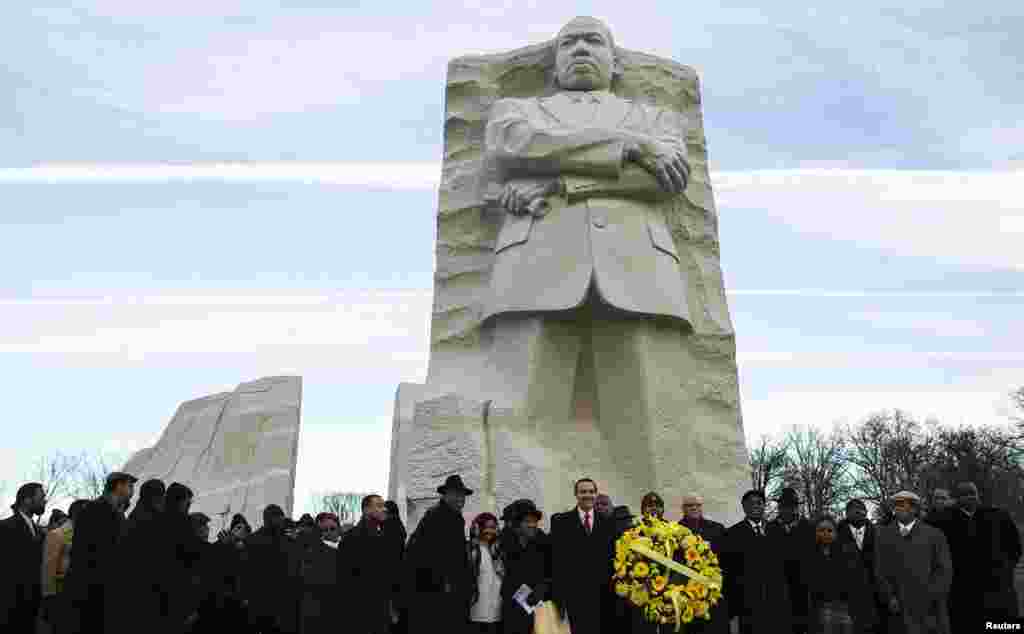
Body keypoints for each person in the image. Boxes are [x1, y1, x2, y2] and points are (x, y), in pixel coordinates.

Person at [477, 15, 706, 517]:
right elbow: (514, 147)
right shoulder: (518, 111)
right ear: (554, 60)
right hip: (532, 270)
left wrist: (560, 184)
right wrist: (628, 147)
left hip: (639, 272)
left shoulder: (656, 117)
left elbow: (662, 183)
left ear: (615, 59)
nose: (580, 48)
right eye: (569, 42)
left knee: (652, 424)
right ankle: (519, 532)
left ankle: (665, 540)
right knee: (520, 418)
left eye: (593, 40)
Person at [929, 481, 1021, 629]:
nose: (970, 497)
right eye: (964, 494)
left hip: (998, 587)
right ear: (956, 499)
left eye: (973, 493)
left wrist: (1006, 568)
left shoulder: (998, 516)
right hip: (962, 590)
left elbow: (1014, 546)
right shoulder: (943, 520)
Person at [65, 471, 136, 634]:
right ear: (118, 486)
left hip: (104, 591)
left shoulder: (115, 512)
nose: (132, 491)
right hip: (93, 593)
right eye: (130, 486)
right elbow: (97, 553)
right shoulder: (96, 510)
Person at [873, 491, 952, 634]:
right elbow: (879, 569)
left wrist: (930, 596)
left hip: (928, 611)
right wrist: (889, 596)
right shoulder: (882, 535)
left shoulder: (934, 535)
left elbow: (944, 571)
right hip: (897, 610)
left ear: (915, 509)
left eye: (905, 505)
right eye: (897, 505)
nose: (900, 508)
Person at [406, 475, 473, 634]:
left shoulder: (455, 517)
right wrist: (442, 581)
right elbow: (419, 554)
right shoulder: (435, 516)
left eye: (462, 495)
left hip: (451, 591)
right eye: (456, 494)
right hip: (437, 593)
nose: (461, 499)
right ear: (445, 495)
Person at [550, 477, 615, 634]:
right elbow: (557, 561)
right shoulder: (562, 523)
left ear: (596, 494)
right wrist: (559, 598)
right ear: (576, 494)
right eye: (583, 492)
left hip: (602, 598)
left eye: (591, 492)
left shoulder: (607, 523)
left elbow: (611, 560)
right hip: (573, 597)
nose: (587, 495)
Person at [722, 489, 791, 634]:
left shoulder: (777, 531)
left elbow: (786, 567)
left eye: (759, 503)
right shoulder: (732, 534)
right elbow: (729, 572)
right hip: (747, 604)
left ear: (764, 506)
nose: (755, 506)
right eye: (750, 503)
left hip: (776, 601)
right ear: (744, 507)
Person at [338, 494, 403, 634]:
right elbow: (344, 577)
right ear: (366, 510)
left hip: (381, 608)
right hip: (359, 609)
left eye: (384, 505)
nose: (384, 509)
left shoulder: (385, 535)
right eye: (379, 505)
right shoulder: (351, 538)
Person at [802, 515, 877, 634]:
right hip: (821, 608)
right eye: (821, 530)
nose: (825, 533)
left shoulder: (848, 552)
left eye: (829, 530)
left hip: (846, 608)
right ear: (815, 533)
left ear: (836, 533)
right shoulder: (809, 555)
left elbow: (860, 583)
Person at [246, 504, 301, 634]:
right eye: (280, 519)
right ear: (273, 519)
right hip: (274, 601)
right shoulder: (285, 540)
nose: (282, 522)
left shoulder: (252, 540)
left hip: (265, 601)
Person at [0, 481, 47, 632]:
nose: (44, 500)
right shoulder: (5, 528)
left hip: (33, 607)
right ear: (27, 500)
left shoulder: (39, 532)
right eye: (41, 496)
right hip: (9, 608)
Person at [500, 500, 552, 634]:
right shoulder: (504, 541)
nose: (532, 525)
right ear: (517, 524)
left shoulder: (543, 541)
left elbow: (552, 570)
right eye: (527, 521)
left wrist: (543, 587)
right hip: (512, 606)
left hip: (537, 605)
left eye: (535, 521)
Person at [679, 494, 728, 634]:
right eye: (689, 505)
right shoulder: (675, 530)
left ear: (702, 507)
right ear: (683, 509)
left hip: (713, 592)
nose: (694, 508)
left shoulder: (717, 529)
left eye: (697, 505)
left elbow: (725, 561)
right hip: (688, 594)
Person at [768, 488, 815, 634]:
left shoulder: (809, 527)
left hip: (803, 589)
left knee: (801, 626)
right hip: (777, 588)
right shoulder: (770, 528)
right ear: (780, 508)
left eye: (793, 506)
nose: (789, 510)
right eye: (785, 506)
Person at [39, 498, 89, 633]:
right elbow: (48, 569)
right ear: (78, 514)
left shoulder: (85, 534)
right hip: (60, 597)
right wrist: (49, 600)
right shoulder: (57, 534)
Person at [297, 512, 340, 634]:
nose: (328, 532)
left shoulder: (346, 550)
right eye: (324, 529)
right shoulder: (311, 552)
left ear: (338, 529)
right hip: (316, 611)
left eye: (332, 528)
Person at [467, 513, 504, 634]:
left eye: (493, 527)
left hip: (497, 613)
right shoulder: (472, 550)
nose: (490, 531)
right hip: (477, 614)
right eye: (487, 527)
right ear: (478, 528)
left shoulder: (498, 551)